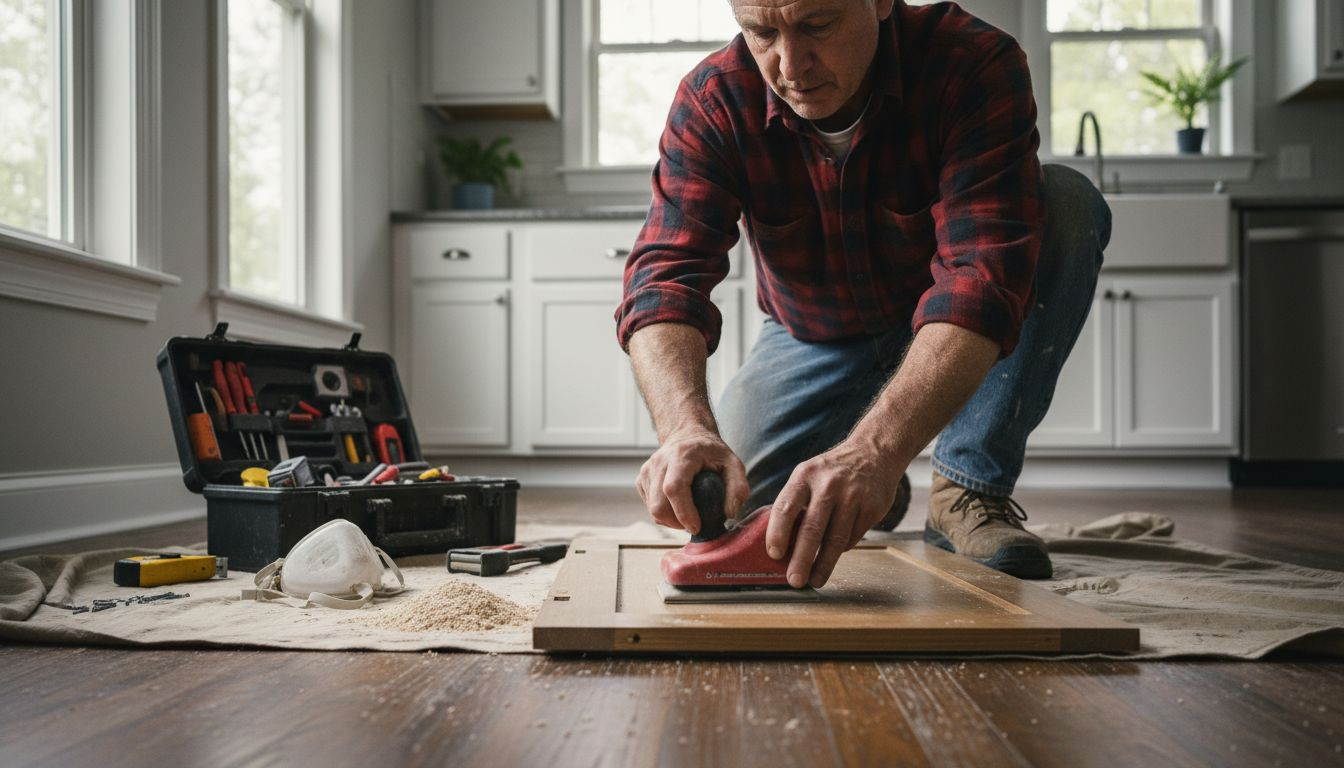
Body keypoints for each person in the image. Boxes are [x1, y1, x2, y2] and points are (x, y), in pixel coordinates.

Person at [615, 0, 1111, 589]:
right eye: (762, 32)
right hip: (811, 337)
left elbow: (981, 278)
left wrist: (876, 451)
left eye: (816, 26)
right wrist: (684, 429)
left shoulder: (973, 64)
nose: (791, 65)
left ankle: (967, 487)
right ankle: (876, 482)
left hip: (946, 321)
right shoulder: (713, 99)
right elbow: (666, 278)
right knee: (742, 511)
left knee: (1068, 202)